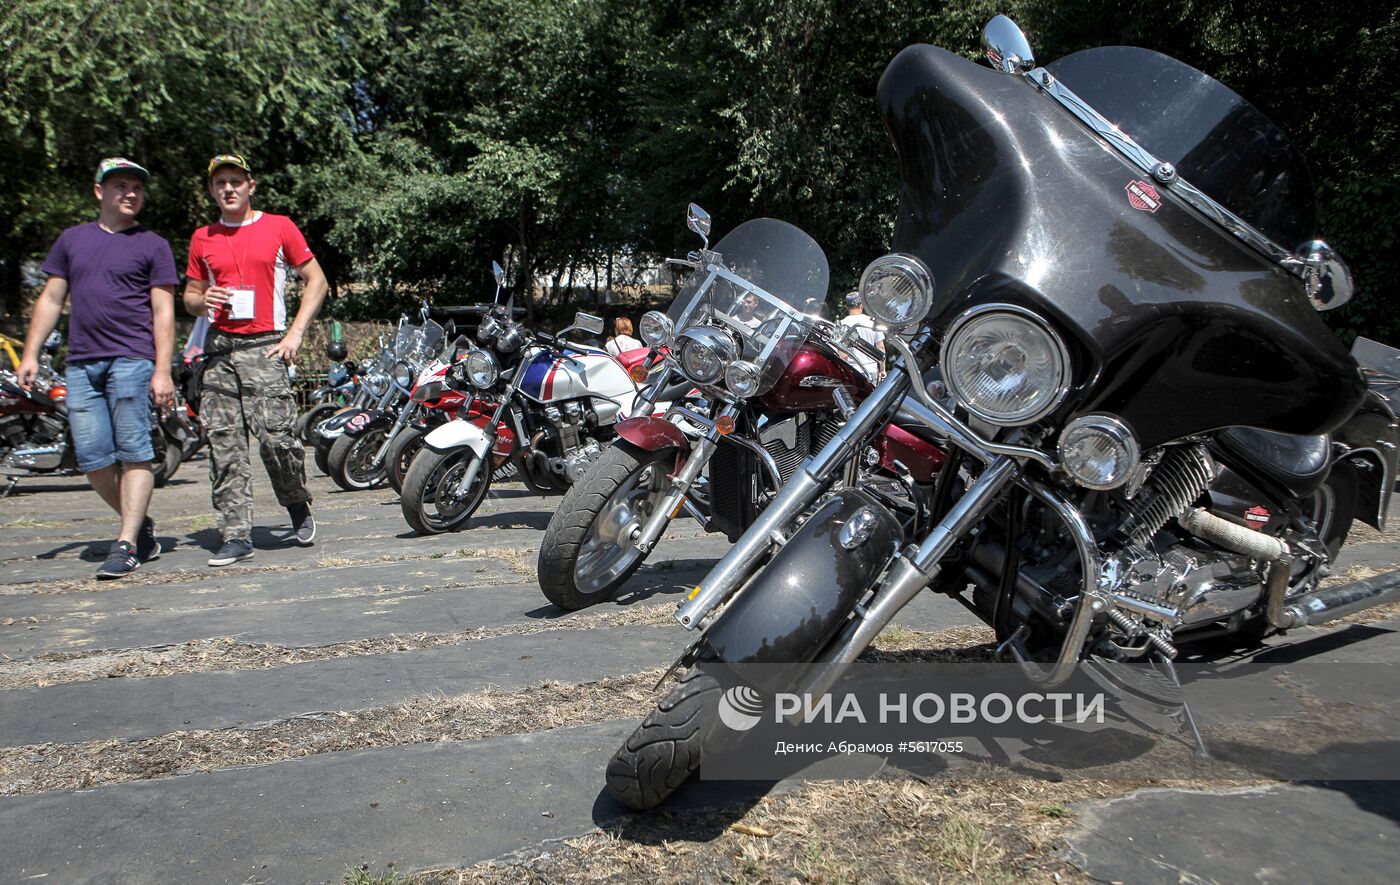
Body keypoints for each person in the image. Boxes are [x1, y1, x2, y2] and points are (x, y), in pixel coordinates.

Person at [17, 158, 178, 578]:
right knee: (92, 459)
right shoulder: (72, 241)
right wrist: (31, 353)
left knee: (135, 452)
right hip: (81, 364)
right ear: (99, 191)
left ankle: (125, 543)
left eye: (137, 188)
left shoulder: (153, 244)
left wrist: (163, 370)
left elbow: (163, 312)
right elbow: (52, 300)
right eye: (120, 186)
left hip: (132, 360)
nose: (130, 193)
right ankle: (139, 523)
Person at [181, 153, 329, 566]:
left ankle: (296, 502)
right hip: (219, 350)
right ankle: (236, 533)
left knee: (277, 440)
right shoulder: (202, 237)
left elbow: (317, 280)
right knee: (223, 444)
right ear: (212, 190)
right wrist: (200, 299)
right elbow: (190, 298)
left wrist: (295, 333)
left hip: (265, 346)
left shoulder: (278, 226)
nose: (228, 188)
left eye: (235, 181)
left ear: (250, 186)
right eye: (220, 183)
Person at [839, 290, 885, 382]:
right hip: (871, 369)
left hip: (853, 371)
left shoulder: (842, 324)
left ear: (847, 307)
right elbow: (881, 348)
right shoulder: (872, 322)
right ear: (861, 306)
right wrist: (882, 370)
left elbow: (843, 355)